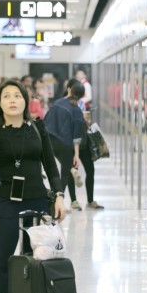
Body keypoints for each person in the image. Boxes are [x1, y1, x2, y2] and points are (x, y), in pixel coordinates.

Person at [0, 79, 65, 293]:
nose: (13, 100)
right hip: (7, 202)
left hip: (38, 201)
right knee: (3, 261)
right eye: (6, 96)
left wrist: (59, 195)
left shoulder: (37, 127)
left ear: (26, 101)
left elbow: (51, 165)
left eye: (17, 95)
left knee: (38, 259)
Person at [44, 81, 86, 210]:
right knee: (65, 175)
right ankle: (57, 203)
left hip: (50, 141)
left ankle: (72, 172)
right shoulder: (76, 110)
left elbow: (46, 122)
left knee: (61, 169)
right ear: (82, 96)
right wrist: (76, 155)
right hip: (65, 144)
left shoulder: (57, 103)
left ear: (69, 90)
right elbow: (76, 136)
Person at [66, 79, 104, 209]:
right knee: (72, 171)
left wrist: (86, 120)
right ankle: (73, 201)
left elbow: (84, 122)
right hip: (70, 142)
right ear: (69, 89)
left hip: (83, 141)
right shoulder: (63, 105)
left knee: (90, 170)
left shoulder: (81, 103)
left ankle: (90, 200)